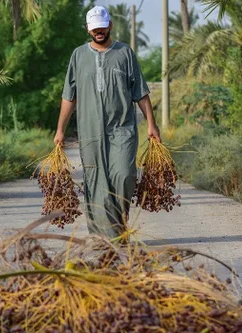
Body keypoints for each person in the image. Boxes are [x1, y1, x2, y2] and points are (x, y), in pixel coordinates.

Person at [53, 5, 160, 240]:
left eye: (102, 26)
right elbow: (69, 96)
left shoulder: (125, 54)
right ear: (88, 29)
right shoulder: (78, 56)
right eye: (94, 28)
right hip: (90, 131)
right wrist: (60, 130)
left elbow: (140, 92)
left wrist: (152, 124)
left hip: (122, 129)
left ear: (110, 25)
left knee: (123, 176)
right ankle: (106, 237)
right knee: (96, 183)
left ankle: (117, 227)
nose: (99, 31)